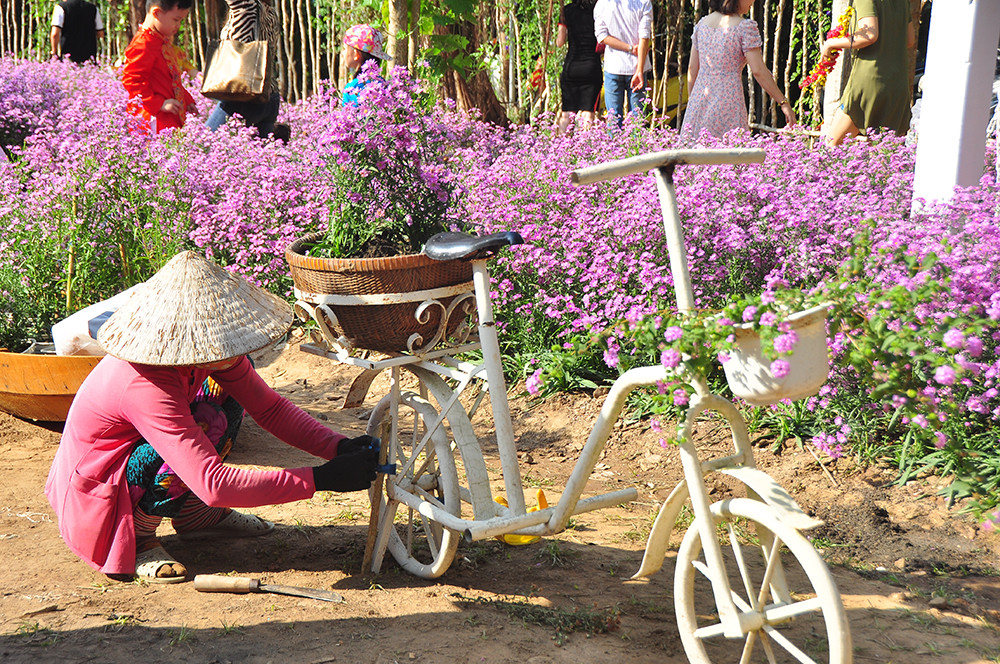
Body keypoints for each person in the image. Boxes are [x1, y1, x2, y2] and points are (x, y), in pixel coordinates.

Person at [45, 251, 380, 583]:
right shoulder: (146, 383)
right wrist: (320, 479)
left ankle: (197, 517)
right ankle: (140, 536)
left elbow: (270, 408)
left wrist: (339, 447)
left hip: (139, 460)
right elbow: (213, 483)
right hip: (102, 492)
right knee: (165, 452)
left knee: (222, 400)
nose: (234, 352)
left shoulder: (209, 357)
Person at [681, 0, 795, 140]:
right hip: (728, 102)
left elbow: (692, 69)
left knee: (695, 156)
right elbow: (758, 71)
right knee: (730, 155)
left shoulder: (702, 24)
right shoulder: (744, 28)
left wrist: (693, 103)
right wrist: (783, 102)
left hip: (699, 100)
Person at [821, 0, 914, 145]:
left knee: (831, 146)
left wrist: (830, 44)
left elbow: (869, 35)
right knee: (884, 156)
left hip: (869, 81)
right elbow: (909, 40)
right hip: (897, 84)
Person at [205, 0, 288, 140]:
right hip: (269, 96)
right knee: (263, 159)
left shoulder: (246, 6)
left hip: (244, 96)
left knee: (202, 145)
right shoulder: (270, 11)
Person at [121, 0, 197, 133]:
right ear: (156, 13)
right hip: (152, 119)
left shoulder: (160, 41)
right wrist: (158, 103)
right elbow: (132, 81)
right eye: (176, 20)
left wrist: (186, 100)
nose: (178, 26)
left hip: (167, 114)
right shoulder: (143, 44)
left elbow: (169, 80)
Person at [593, 0, 652, 130]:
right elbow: (644, 35)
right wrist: (639, 70)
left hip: (613, 65)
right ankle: (637, 150)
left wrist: (629, 48)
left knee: (613, 120)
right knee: (637, 121)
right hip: (637, 66)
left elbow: (602, 36)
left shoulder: (602, 4)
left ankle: (614, 150)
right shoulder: (644, 2)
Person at [556, 0, 603, 134]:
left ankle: (560, 149)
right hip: (591, 68)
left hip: (571, 67)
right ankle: (584, 150)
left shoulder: (566, 11)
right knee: (588, 114)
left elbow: (560, 42)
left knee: (566, 115)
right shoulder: (598, 9)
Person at [341, 24, 391, 106]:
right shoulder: (383, 84)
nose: (343, 53)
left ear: (355, 54)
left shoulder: (351, 89)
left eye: (344, 49)